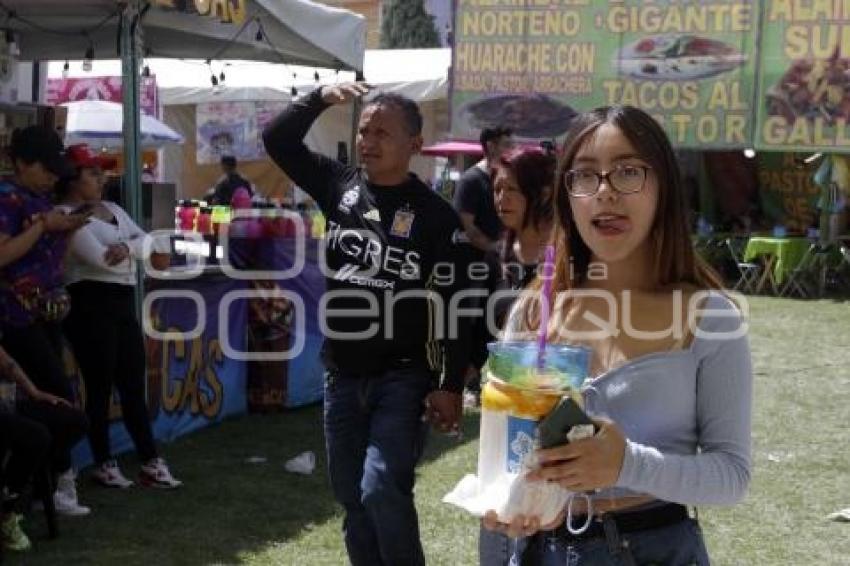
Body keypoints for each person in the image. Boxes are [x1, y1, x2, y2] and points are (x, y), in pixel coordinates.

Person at [483, 105, 752, 564]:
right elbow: (502, 464)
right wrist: (511, 507)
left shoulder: (711, 318)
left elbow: (731, 475)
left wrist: (626, 463)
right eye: (584, 176)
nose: (604, 192)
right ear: (567, 196)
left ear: (663, 187)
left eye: (628, 172)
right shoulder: (532, 311)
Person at [262, 83, 473, 566]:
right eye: (364, 130)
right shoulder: (338, 185)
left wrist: (448, 384)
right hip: (341, 376)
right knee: (352, 497)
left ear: (415, 146)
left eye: (383, 132)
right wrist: (317, 99)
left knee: (381, 487)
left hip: (403, 377)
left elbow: (457, 305)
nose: (368, 141)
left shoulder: (436, 217)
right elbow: (277, 141)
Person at [56, 144, 181, 490]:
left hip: (121, 302)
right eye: (93, 173)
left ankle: (150, 459)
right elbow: (98, 259)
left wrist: (129, 248)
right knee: (98, 387)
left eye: (102, 172)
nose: (102, 178)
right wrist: (136, 249)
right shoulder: (65, 213)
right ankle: (103, 463)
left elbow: (150, 241)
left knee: (131, 383)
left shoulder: (112, 208)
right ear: (72, 178)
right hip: (89, 305)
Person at [0, 125, 92, 516]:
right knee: (61, 402)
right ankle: (41, 484)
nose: (54, 176)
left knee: (58, 400)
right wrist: (43, 227)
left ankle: (42, 484)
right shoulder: (7, 199)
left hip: (45, 315)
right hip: (14, 318)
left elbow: (55, 264)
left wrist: (68, 230)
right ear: (20, 163)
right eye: (46, 168)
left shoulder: (40, 201)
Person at [476, 147, 556, 565]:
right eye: (496, 188)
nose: (500, 198)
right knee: (499, 518)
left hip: (555, 406)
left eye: (512, 189)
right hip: (507, 407)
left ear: (540, 193)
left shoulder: (568, 260)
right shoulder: (500, 256)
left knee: (542, 515)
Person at [0, 341, 86, 551]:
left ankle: (17, 494)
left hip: (7, 401)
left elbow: (7, 363)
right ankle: (6, 511)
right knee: (36, 436)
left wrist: (35, 392)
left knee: (74, 420)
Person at [453, 126, 513, 254]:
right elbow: (468, 227)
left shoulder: (507, 178)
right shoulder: (470, 181)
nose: (510, 150)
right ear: (491, 146)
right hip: (475, 263)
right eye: (506, 145)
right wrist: (495, 248)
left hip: (502, 262)